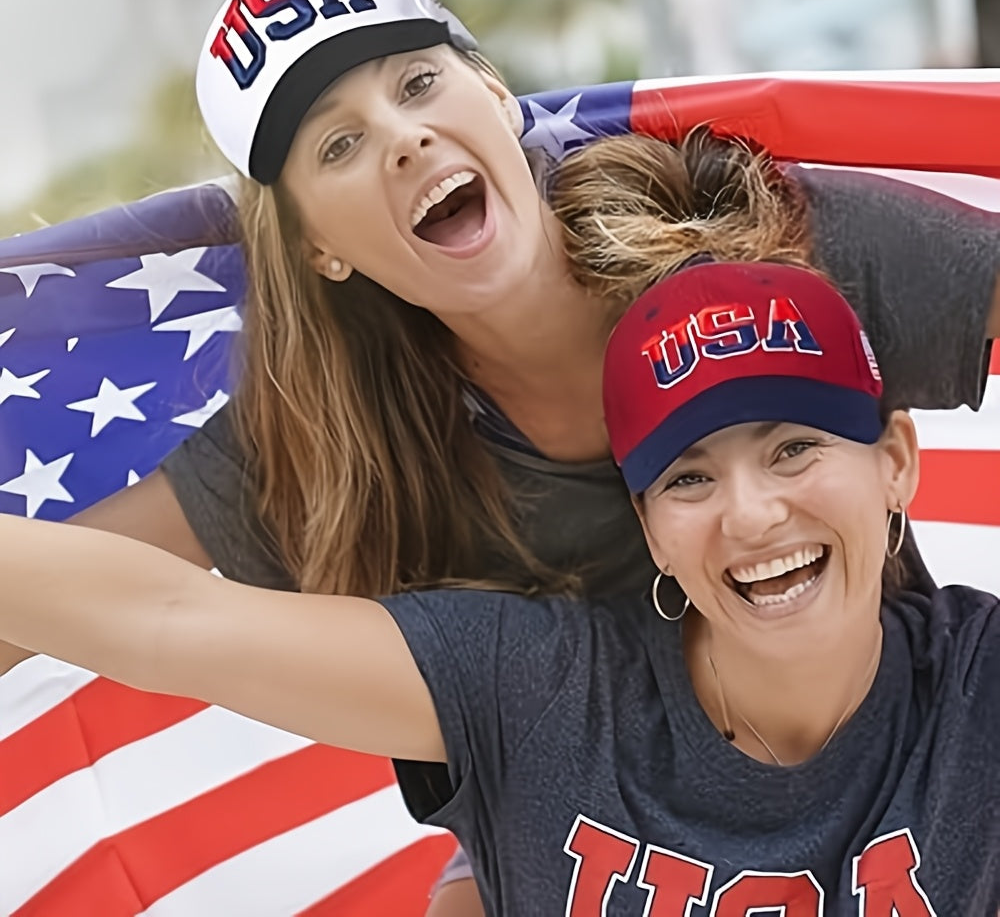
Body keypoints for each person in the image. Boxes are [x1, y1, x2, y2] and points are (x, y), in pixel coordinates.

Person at [3, 0, 1000, 915]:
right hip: (571, 835)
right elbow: (131, 612)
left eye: (418, 83)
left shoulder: (754, 243)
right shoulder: (329, 444)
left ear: (493, 91)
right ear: (316, 247)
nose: (403, 138)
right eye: (339, 145)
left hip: (901, 793)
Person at [1, 260, 997, 914]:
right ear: (649, 526)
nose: (750, 514)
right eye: (689, 477)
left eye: (793, 448)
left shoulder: (977, 693)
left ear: (894, 463)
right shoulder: (538, 691)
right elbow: (167, 617)